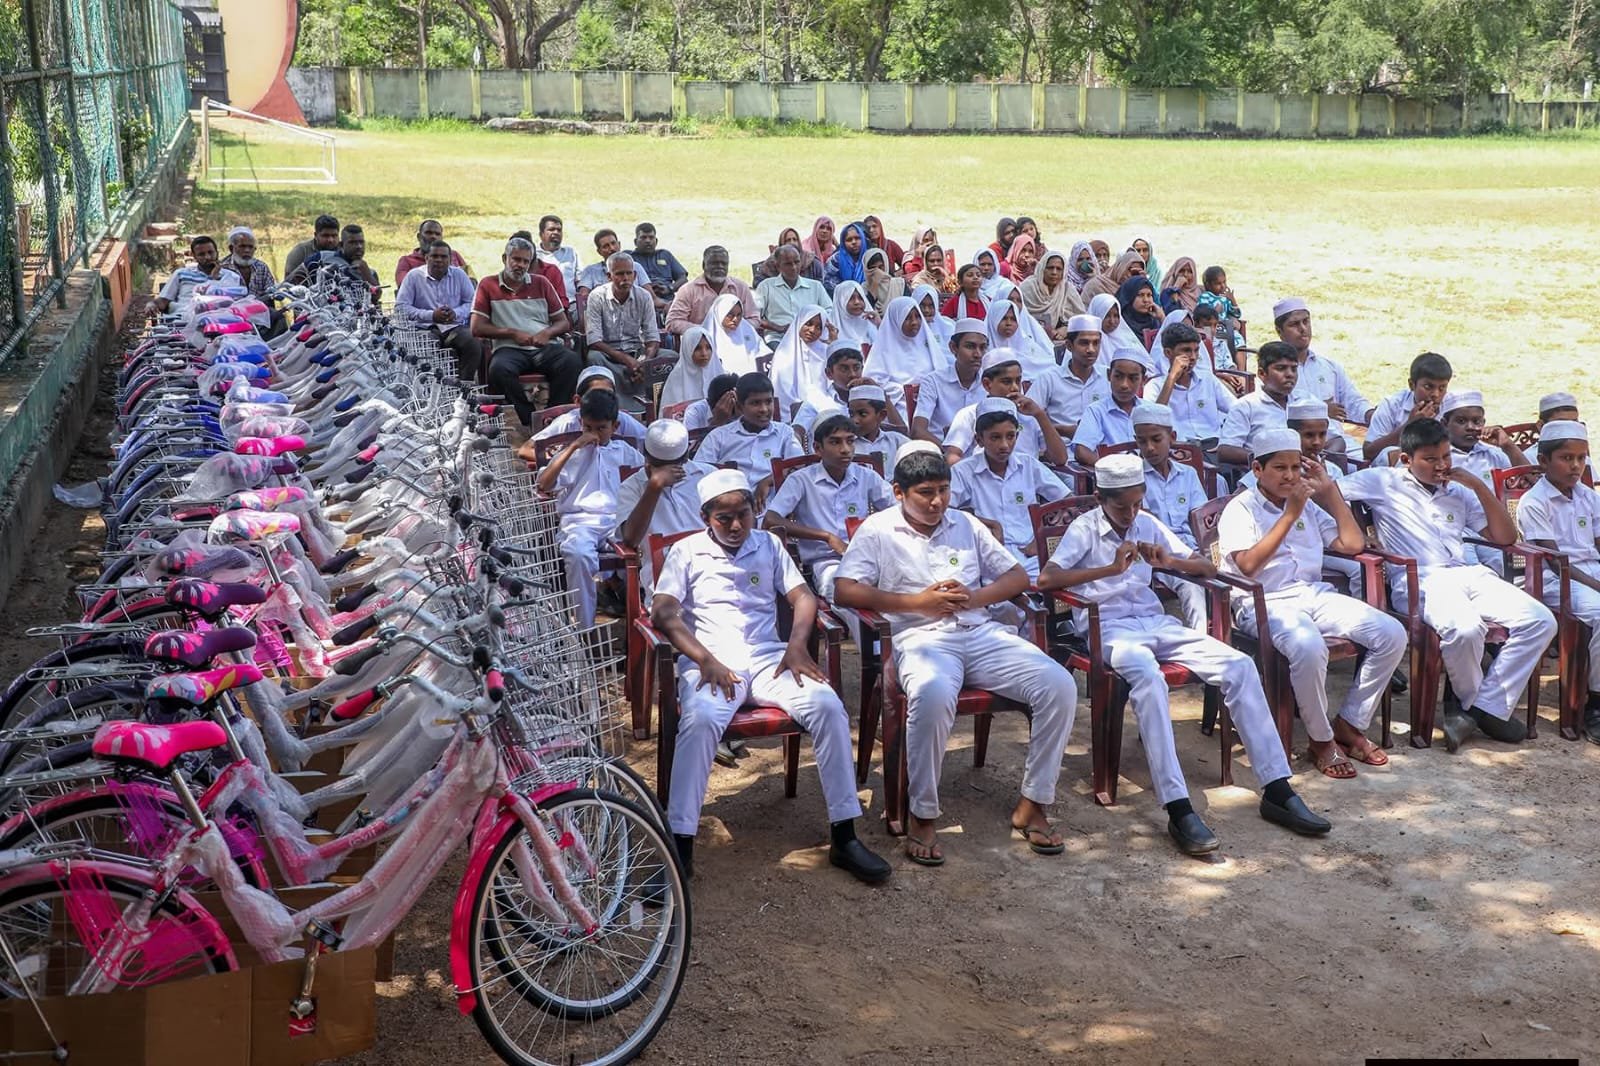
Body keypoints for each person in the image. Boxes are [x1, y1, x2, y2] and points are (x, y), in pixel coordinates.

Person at [1038, 452, 1331, 855]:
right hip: (1107, 628)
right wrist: (1107, 570)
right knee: (1148, 679)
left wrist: (1169, 561)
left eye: (1137, 502)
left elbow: (1206, 568)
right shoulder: (1083, 528)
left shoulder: (1146, 522)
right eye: (1121, 505)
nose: (1130, 513)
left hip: (1154, 622)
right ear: (1100, 499)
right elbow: (1047, 579)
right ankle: (1178, 807)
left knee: (1239, 665)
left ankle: (1277, 789)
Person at [835, 442, 1077, 865]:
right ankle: (923, 813)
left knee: (1059, 684)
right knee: (930, 696)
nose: (937, 501)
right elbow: (845, 588)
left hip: (979, 632)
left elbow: (1017, 575)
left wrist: (974, 597)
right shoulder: (877, 530)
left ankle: (1034, 802)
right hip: (921, 638)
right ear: (898, 492)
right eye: (925, 492)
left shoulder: (964, 523)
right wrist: (917, 603)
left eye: (944, 490)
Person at [651, 468, 891, 884]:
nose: (736, 525)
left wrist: (796, 646)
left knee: (829, 707)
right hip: (712, 662)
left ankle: (845, 834)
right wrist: (702, 657)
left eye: (743, 513)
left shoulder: (769, 544)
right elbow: (664, 612)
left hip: (768, 660)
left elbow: (802, 597)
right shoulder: (685, 552)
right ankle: (681, 842)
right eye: (724, 518)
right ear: (705, 515)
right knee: (702, 720)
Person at [1338, 418, 1556, 752]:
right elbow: (1330, 491)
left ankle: (1484, 708)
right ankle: (1477, 706)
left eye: (1446, 457)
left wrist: (1480, 488)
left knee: (1541, 621)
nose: (1442, 466)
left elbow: (1505, 538)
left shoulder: (1459, 490)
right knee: (1466, 629)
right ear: (1406, 459)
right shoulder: (1382, 481)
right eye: (1431, 459)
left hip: (1468, 573)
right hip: (1420, 579)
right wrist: (1361, 536)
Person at [1219, 429, 1408, 776]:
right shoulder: (1240, 508)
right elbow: (1247, 566)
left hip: (1312, 594)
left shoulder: (1305, 502)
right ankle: (1321, 740)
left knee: (1392, 633)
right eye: (1279, 468)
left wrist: (1330, 492)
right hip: (1262, 602)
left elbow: (1352, 545)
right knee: (1308, 646)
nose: (1290, 476)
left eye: (1295, 467)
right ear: (1257, 470)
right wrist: (1290, 514)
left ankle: (1350, 722)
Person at [1517, 421, 1600, 742]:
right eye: (1567, 458)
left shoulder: (1588, 497)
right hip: (1555, 581)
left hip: (1589, 574)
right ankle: (1594, 704)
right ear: (1543, 460)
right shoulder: (1534, 502)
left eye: (1581, 458)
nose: (1576, 466)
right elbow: (1554, 561)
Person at [533, 389, 644, 626]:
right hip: (579, 521)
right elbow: (544, 484)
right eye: (588, 428)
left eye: (601, 428)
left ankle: (639, 618)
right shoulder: (571, 453)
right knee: (578, 554)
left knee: (642, 546)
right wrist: (573, 447)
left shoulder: (627, 454)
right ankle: (584, 628)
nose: (593, 434)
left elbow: (645, 484)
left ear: (614, 426)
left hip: (616, 522)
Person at [765, 413, 895, 593]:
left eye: (850, 441)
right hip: (825, 561)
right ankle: (866, 622)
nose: (845, 449)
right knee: (840, 590)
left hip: (868, 556)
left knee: (897, 583)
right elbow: (771, 519)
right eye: (835, 442)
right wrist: (826, 536)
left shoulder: (867, 476)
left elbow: (898, 511)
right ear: (818, 448)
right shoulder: (801, 480)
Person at [950, 399, 1070, 578]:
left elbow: (1068, 499)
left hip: (1031, 554)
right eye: (995, 437)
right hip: (987, 554)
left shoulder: (1028, 464)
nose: (1004, 445)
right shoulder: (963, 471)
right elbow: (947, 511)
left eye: (1010, 436)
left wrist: (1042, 537)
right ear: (979, 440)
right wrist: (988, 524)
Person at [470, 237, 583, 428]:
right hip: (509, 348)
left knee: (571, 362)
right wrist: (512, 333)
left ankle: (553, 418)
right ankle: (527, 419)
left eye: (525, 261)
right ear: (505, 258)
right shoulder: (488, 284)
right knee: (499, 370)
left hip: (543, 346)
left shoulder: (541, 283)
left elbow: (563, 322)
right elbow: (476, 327)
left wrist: (547, 334)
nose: (520, 265)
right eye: (516, 259)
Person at [1131, 404, 1209, 630]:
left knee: (1234, 570)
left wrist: (1206, 551)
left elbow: (1201, 519)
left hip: (1193, 548)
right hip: (1158, 554)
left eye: (1156, 439)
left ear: (1172, 437)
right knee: (1190, 584)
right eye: (1142, 442)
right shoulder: (1134, 479)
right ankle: (1202, 641)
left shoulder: (1188, 474)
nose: (1150, 448)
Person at [617, 419, 717, 595]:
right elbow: (630, 540)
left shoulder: (708, 476)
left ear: (685, 457)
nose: (664, 471)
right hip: (665, 579)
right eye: (656, 465)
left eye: (673, 466)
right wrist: (654, 486)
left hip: (714, 568)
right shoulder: (631, 487)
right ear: (645, 457)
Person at [1441, 389, 1528, 573]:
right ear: (1444, 423)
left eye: (1477, 421)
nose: (1471, 427)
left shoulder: (1494, 454)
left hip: (1491, 531)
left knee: (1509, 571)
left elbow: (1532, 481)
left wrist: (1509, 446)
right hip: (1454, 531)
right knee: (1470, 570)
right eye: (1461, 421)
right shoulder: (1439, 457)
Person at [694, 372, 803, 507]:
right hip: (731, 509)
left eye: (768, 402)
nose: (764, 409)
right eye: (755, 403)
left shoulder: (784, 433)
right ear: (739, 407)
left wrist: (768, 481)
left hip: (777, 506)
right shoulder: (718, 437)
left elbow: (799, 466)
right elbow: (698, 473)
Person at [942, 349, 1068, 466]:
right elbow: (952, 457)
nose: (1015, 388)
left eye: (1018, 381)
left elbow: (1060, 459)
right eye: (1007, 382)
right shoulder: (970, 414)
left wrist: (1040, 415)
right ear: (987, 384)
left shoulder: (1030, 416)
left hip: (1026, 484)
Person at [1272, 297, 1371, 425]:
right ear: (1280, 332)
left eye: (1306, 321)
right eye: (1294, 324)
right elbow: (1272, 412)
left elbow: (1353, 402)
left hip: (1339, 440)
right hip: (1294, 442)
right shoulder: (1274, 373)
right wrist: (1320, 411)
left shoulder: (1330, 367)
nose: (1303, 328)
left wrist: (1371, 414)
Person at [395, 239, 482, 380]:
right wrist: (431, 315)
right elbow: (400, 308)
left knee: (472, 342)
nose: (439, 260)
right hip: (424, 328)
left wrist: (456, 313)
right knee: (427, 345)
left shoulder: (459, 275)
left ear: (450, 259)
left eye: (443, 257)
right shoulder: (414, 276)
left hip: (454, 327)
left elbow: (471, 303)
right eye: (434, 256)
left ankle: (465, 388)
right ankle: (432, 391)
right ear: (426, 258)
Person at [584, 252, 660, 408]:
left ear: (635, 275)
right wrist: (626, 360)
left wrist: (645, 362)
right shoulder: (597, 296)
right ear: (609, 276)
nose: (625, 278)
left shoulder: (644, 296)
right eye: (619, 274)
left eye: (629, 273)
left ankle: (655, 407)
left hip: (637, 353)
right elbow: (594, 341)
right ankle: (612, 406)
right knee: (594, 358)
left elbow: (652, 337)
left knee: (669, 357)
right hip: (609, 355)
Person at [1216, 342, 1301, 468]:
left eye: (1294, 369)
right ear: (1262, 374)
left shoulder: (1305, 402)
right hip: (1263, 477)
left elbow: (1335, 438)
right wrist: (1267, 459)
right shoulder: (1246, 406)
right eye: (1281, 368)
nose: (1290, 374)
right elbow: (1225, 451)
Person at [1146, 321, 1233, 443]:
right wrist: (1171, 379)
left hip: (1214, 443)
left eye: (1196, 350)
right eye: (1186, 350)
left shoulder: (1207, 379)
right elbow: (1152, 422)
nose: (1193, 357)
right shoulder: (1155, 386)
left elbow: (1235, 408)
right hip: (1179, 449)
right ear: (1168, 353)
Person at [1363, 352, 1453, 461]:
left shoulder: (1452, 406)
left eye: (1442, 388)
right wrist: (1410, 425)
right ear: (1412, 385)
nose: (1436, 394)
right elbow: (1368, 452)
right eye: (1428, 387)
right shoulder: (1392, 405)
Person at [528, 366, 648, 448]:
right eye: (595, 396)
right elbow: (527, 449)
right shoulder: (568, 422)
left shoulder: (621, 420)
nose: (602, 401)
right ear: (578, 401)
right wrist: (564, 461)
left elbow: (649, 442)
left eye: (608, 395)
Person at [863, 294, 943, 415]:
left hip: (931, 404)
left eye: (917, 317)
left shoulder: (928, 344)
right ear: (896, 321)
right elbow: (873, 383)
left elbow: (941, 373)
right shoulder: (884, 349)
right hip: (899, 407)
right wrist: (906, 391)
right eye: (907, 318)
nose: (914, 322)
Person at [1071, 350, 1152, 467]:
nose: (1124, 385)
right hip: (1113, 480)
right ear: (1109, 375)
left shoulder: (1149, 410)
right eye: (1118, 376)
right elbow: (1082, 451)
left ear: (1143, 380)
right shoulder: (1096, 411)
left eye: (1133, 378)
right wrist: (1113, 471)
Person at [912, 318, 988, 443]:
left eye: (983, 348)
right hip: (940, 450)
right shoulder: (933, 381)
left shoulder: (989, 383)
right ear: (953, 348)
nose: (978, 354)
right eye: (970, 346)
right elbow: (918, 430)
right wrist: (948, 452)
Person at [1036, 313, 1110, 440]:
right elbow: (1029, 417)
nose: (1091, 349)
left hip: (1104, 453)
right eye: (1084, 343)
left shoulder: (1109, 376)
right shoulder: (1049, 379)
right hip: (1064, 453)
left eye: (1096, 343)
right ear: (1069, 346)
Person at [665, 246, 758, 336]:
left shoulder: (741, 287)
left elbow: (755, 319)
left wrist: (733, 329)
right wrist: (704, 330)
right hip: (702, 346)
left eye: (724, 263)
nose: (720, 267)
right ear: (703, 265)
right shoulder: (688, 290)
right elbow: (673, 322)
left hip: (735, 341)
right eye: (714, 263)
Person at [756, 245, 830, 345]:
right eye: (788, 264)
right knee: (781, 357)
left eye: (797, 262)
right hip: (779, 338)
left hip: (811, 338)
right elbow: (755, 317)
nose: (794, 267)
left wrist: (813, 326)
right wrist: (779, 328)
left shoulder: (816, 286)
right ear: (778, 266)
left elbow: (829, 312)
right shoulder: (766, 286)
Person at [770, 305, 834, 419]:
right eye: (808, 324)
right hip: (794, 411)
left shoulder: (824, 352)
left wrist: (834, 345)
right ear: (800, 322)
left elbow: (833, 386)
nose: (813, 330)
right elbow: (782, 394)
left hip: (823, 408)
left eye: (819, 327)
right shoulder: (785, 354)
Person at [153, 234, 242, 314]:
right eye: (201, 254)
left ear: (217, 253)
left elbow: (234, 304)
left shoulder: (230, 276)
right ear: (194, 257)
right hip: (182, 320)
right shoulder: (181, 274)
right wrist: (151, 304)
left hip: (221, 322)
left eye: (210, 252)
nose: (207, 257)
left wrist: (214, 279)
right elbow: (163, 301)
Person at [794, 345, 865, 437]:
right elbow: (798, 430)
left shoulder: (870, 397)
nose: (852, 374)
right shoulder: (817, 399)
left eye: (856, 368)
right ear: (829, 373)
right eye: (844, 369)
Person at [289, 223, 379, 292]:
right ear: (341, 245)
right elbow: (294, 277)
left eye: (361, 242)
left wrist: (365, 271)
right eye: (352, 242)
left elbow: (376, 296)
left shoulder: (370, 271)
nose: (358, 246)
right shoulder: (322, 257)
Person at [1021, 250, 1084, 347]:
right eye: (1050, 268)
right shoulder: (1028, 288)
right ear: (1042, 268)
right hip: (1029, 340)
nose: (1054, 272)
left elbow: (1080, 319)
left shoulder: (1067, 289)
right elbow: (1020, 319)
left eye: (1059, 269)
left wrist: (1067, 329)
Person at [985, 299, 1056, 379]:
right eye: (1004, 318)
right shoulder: (983, 347)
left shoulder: (1026, 343)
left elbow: (1044, 363)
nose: (1009, 323)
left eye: (1013, 319)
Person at [704, 292, 767, 376]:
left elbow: (762, 350)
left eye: (739, 315)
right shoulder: (708, 334)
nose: (735, 319)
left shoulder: (746, 328)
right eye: (730, 315)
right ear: (720, 313)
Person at [394, 219, 470, 287]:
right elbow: (404, 285)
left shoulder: (454, 255)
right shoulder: (406, 261)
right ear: (419, 236)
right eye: (428, 233)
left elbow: (471, 281)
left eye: (437, 234)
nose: (433, 237)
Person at [660, 325, 721, 411]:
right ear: (687, 349)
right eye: (698, 348)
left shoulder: (719, 374)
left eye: (708, 348)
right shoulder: (676, 379)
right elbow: (670, 416)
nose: (704, 353)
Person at [848, 384, 909, 468]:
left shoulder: (896, 441)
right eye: (851, 414)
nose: (855, 420)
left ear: (881, 415)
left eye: (863, 414)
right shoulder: (847, 444)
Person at [632, 222, 688, 309]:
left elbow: (683, 278)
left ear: (656, 241)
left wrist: (669, 288)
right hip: (641, 302)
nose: (648, 241)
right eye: (643, 237)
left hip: (667, 299)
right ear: (635, 242)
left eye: (651, 237)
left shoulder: (665, 255)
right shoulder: (629, 258)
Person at [1088, 292, 1146, 368]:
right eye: (1107, 316)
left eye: (1116, 316)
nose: (1112, 321)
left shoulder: (1125, 338)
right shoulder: (1089, 343)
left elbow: (1146, 364)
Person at [220, 226, 276, 299]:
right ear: (231, 248)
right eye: (242, 246)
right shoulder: (222, 268)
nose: (247, 250)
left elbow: (271, 290)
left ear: (255, 249)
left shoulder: (261, 267)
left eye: (250, 247)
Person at [537, 214, 579, 305]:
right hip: (542, 305)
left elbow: (580, 279)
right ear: (541, 234)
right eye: (551, 229)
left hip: (571, 303)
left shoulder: (570, 253)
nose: (556, 232)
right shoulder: (534, 255)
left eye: (559, 230)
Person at [283, 214, 338, 279]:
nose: (330, 240)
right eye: (325, 236)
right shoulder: (301, 251)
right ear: (315, 235)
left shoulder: (344, 251)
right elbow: (288, 281)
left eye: (334, 236)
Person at [1116, 275, 1163, 351]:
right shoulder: (1119, 323)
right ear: (1129, 297)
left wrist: (1162, 318)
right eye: (1140, 295)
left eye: (1149, 295)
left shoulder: (1155, 322)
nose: (1146, 300)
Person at [823, 222, 869, 294]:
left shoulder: (870, 258)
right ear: (843, 242)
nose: (854, 242)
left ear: (863, 239)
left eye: (857, 238)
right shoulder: (836, 260)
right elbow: (829, 284)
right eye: (849, 240)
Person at [831, 280, 879, 347]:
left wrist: (879, 325)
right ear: (840, 302)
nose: (857, 302)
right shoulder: (831, 329)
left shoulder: (872, 323)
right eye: (850, 298)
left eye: (860, 297)